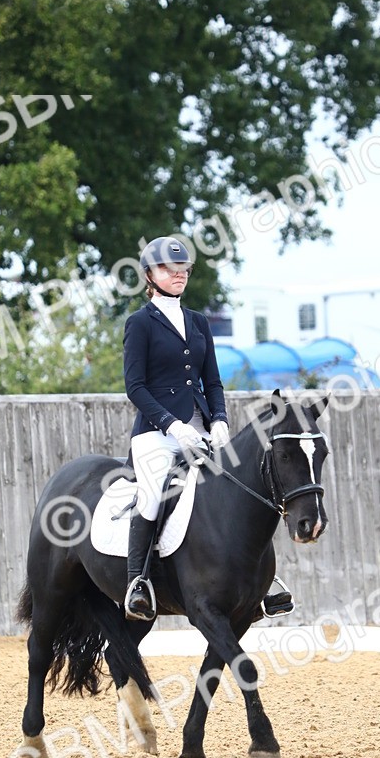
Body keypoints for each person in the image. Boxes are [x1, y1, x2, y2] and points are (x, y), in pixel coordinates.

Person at [122, 235, 231, 620]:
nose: (179, 274)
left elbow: (212, 381)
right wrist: (170, 425)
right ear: (150, 275)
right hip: (155, 434)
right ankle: (138, 582)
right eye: (170, 269)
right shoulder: (140, 323)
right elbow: (134, 386)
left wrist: (219, 419)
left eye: (183, 268)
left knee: (239, 487)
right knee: (151, 495)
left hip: (201, 430)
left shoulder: (198, 321)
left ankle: (261, 582)